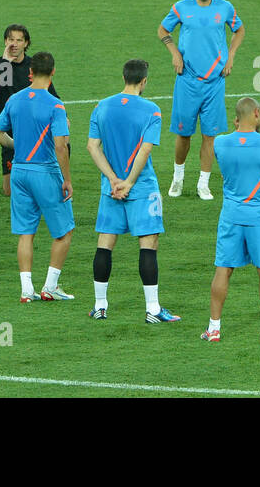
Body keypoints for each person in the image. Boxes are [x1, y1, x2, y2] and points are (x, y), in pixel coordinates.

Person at [86, 59, 180, 323]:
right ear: (144, 81)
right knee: (148, 245)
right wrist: (128, 182)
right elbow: (145, 149)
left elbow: (93, 147)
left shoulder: (101, 107)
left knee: (105, 243)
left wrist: (114, 180)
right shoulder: (152, 110)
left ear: (124, 77)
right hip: (143, 187)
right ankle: (152, 309)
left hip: (110, 189)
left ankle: (100, 306)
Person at [204, 97, 260, 343]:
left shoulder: (221, 143)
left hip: (231, 216)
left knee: (223, 269)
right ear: (257, 113)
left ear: (235, 119)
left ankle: (213, 329)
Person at [0, 51, 75, 301]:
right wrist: (67, 179)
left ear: (29, 73)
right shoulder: (55, 105)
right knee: (63, 232)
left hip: (19, 171)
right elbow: (61, 146)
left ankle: (27, 290)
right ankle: (50, 286)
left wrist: (18, 146)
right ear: (53, 72)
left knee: (26, 233)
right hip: (45, 172)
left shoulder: (15, 100)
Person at [158, 0, 245, 200]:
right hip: (187, 80)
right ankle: (178, 177)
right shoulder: (181, 7)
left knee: (210, 135)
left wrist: (231, 55)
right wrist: (174, 52)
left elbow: (239, 30)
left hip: (215, 81)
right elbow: (163, 29)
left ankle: (203, 183)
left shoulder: (225, 7)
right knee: (183, 134)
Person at [0, 24, 60, 197]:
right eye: (11, 40)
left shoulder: (34, 67)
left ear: (26, 43)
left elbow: (52, 95)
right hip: (9, 133)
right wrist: (5, 63)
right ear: (5, 41)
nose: (14, 44)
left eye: (19, 40)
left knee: (39, 184)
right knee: (9, 191)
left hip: (36, 131)